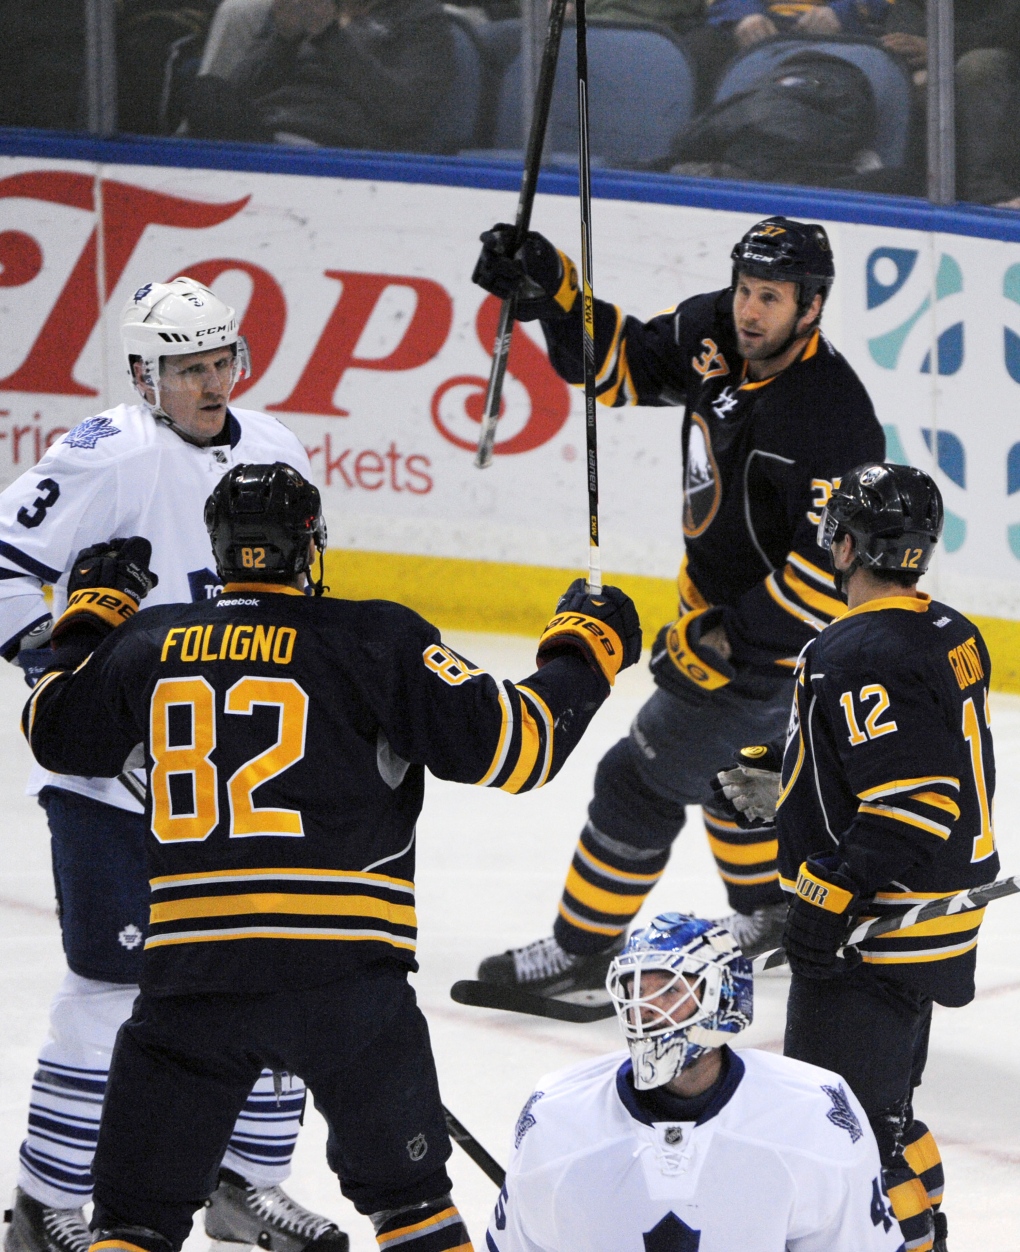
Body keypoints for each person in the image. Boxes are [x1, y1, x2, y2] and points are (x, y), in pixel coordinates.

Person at [20, 461, 641, 1252]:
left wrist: (90, 620)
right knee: (414, 1207)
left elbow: (55, 732)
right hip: (344, 989)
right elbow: (521, 747)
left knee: (133, 1225)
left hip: (192, 982)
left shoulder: (151, 641)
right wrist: (586, 651)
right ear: (310, 546)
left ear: (218, 551)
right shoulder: (375, 638)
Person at [0, 279, 345, 1252]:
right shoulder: (105, 455)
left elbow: (311, 598)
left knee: (275, 969)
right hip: (113, 787)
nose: (210, 381)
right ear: (146, 373)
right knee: (111, 993)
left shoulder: (275, 450)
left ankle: (245, 1185)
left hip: (242, 778)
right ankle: (47, 1205)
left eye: (221, 360)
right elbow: (0, 564)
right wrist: (77, 684)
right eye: (188, 366)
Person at [468, 215, 884, 999]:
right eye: (743, 289)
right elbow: (618, 367)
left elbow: (834, 567)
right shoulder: (714, 333)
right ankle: (772, 914)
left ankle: (580, 952)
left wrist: (729, 638)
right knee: (734, 779)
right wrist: (552, 290)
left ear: (812, 306)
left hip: (776, 651)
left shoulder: (830, 416)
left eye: (770, 296)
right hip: (729, 629)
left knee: (638, 781)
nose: (748, 311)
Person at [773, 462, 998, 1252]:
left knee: (846, 1135)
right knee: (890, 1114)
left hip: (878, 931)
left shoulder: (855, 650)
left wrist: (831, 888)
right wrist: (796, 769)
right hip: (934, 922)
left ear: (846, 546)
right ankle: (929, 1230)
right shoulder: (948, 630)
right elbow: (910, 747)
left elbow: (916, 800)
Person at [485, 912, 905, 1251]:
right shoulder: (555, 1116)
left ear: (723, 999)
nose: (643, 1008)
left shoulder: (814, 1112)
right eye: (634, 988)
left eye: (667, 989)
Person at [185, 0, 455, 151]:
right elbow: (241, 90)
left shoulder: (421, 17)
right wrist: (283, 39)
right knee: (204, 92)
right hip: (263, 131)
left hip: (336, 144)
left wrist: (329, 36)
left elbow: (405, 110)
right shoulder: (304, 5)